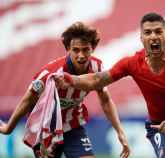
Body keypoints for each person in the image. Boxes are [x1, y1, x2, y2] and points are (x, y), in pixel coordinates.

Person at [56, 12, 165, 158]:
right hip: (159, 128)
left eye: (158, 32)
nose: (153, 37)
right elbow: (97, 80)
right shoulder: (132, 63)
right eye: (148, 33)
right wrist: (70, 79)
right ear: (141, 38)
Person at [0, 22, 130, 158]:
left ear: (93, 48)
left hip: (72, 125)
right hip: (46, 129)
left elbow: (105, 100)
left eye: (85, 49)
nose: (81, 55)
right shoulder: (50, 73)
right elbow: (28, 99)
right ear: (68, 49)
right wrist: (9, 128)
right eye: (76, 50)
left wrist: (119, 131)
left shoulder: (97, 67)